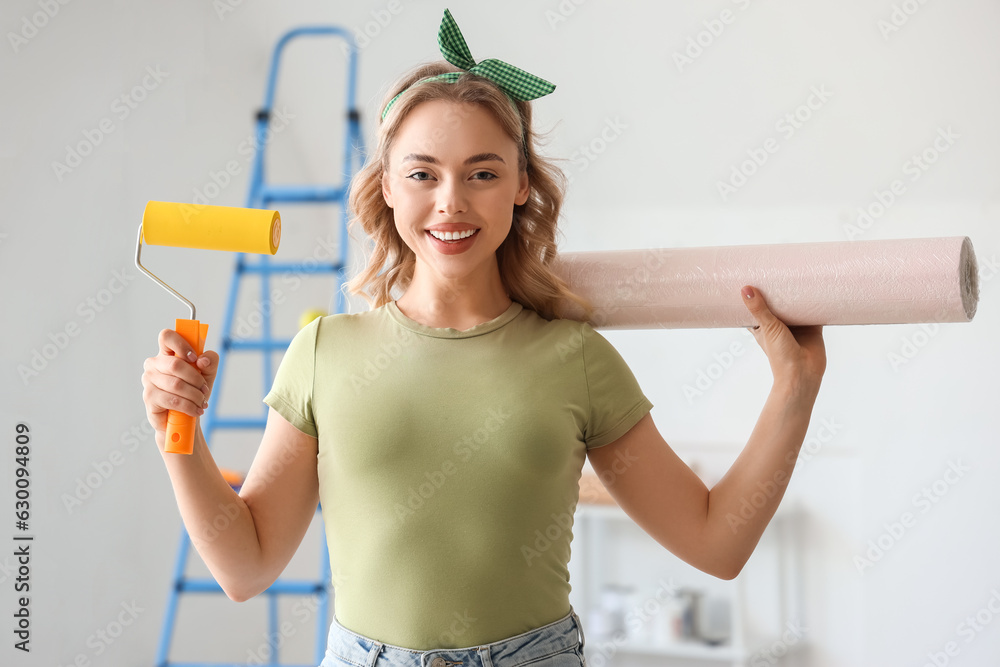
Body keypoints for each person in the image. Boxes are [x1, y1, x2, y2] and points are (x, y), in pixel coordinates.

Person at [140, 8, 826, 667]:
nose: (451, 200)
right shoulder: (324, 355)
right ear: (384, 186)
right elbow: (245, 564)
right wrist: (180, 430)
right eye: (422, 173)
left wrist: (795, 388)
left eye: (483, 173)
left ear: (522, 184)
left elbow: (716, 542)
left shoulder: (575, 358)